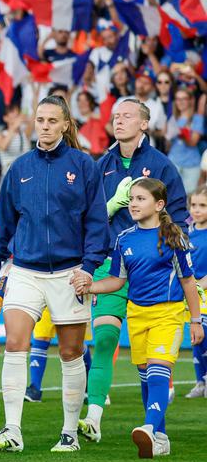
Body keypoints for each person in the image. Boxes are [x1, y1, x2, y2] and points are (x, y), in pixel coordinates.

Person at [0, 95, 110, 453]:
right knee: (14, 343)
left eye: (53, 120)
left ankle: (69, 433)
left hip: (70, 272)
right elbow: (5, 221)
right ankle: (12, 430)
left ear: (65, 125)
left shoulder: (84, 166)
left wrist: (88, 267)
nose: (45, 125)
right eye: (40, 119)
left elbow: (97, 222)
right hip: (24, 270)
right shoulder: (20, 167)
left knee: (71, 352)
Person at [77, 98, 189, 444]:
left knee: (147, 365)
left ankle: (156, 427)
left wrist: (167, 251)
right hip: (111, 266)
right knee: (106, 338)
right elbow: (89, 214)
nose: (118, 120)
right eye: (115, 116)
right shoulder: (102, 165)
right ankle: (94, 416)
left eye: (127, 116)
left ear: (144, 124)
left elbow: (181, 216)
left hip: (151, 270)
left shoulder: (161, 165)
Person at [82, 178, 203, 458]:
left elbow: (188, 282)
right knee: (146, 377)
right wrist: (90, 286)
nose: (133, 204)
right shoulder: (124, 239)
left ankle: (149, 426)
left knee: (159, 370)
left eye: (140, 199)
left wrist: (195, 320)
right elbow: (116, 280)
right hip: (136, 315)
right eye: (132, 199)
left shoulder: (174, 238)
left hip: (168, 315)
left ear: (159, 205)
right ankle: (159, 437)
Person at [185, 187, 207, 398]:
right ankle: (200, 382)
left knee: (204, 331)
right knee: (196, 335)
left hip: (203, 290)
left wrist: (200, 284)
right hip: (194, 292)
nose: (197, 210)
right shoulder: (187, 233)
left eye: (203, 205)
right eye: (194, 205)